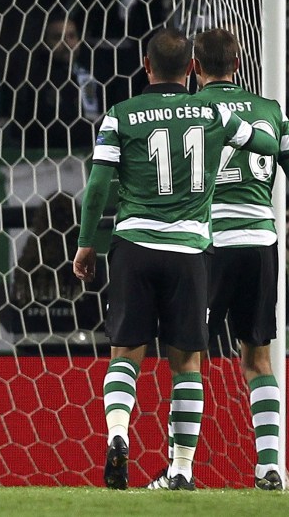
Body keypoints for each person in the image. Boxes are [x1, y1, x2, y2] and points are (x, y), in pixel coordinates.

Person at [72, 27, 279, 491]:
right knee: (187, 361)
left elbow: (98, 188)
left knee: (125, 354)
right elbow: (266, 146)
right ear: (190, 69)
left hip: (134, 245)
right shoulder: (210, 112)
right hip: (189, 251)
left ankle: (120, 435)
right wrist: (258, 132)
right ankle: (183, 468)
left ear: (146, 66)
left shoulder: (120, 114)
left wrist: (87, 243)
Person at [144, 28, 287, 492]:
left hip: (210, 242)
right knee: (258, 357)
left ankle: (180, 468)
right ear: (240, 63)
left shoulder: (194, 109)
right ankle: (270, 465)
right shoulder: (271, 111)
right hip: (262, 242)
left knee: (188, 356)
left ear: (195, 68)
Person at [8, 12, 102, 150]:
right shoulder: (37, 79)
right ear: (44, 42)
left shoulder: (89, 74)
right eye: (58, 38)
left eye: (71, 36)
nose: (67, 43)